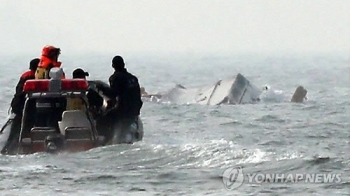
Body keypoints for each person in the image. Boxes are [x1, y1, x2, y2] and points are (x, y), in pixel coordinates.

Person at [96, 55, 143, 141]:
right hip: (135, 111)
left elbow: (113, 94)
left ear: (113, 66)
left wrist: (101, 88)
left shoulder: (116, 78)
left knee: (101, 120)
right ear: (124, 64)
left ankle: (105, 139)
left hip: (123, 111)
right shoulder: (133, 78)